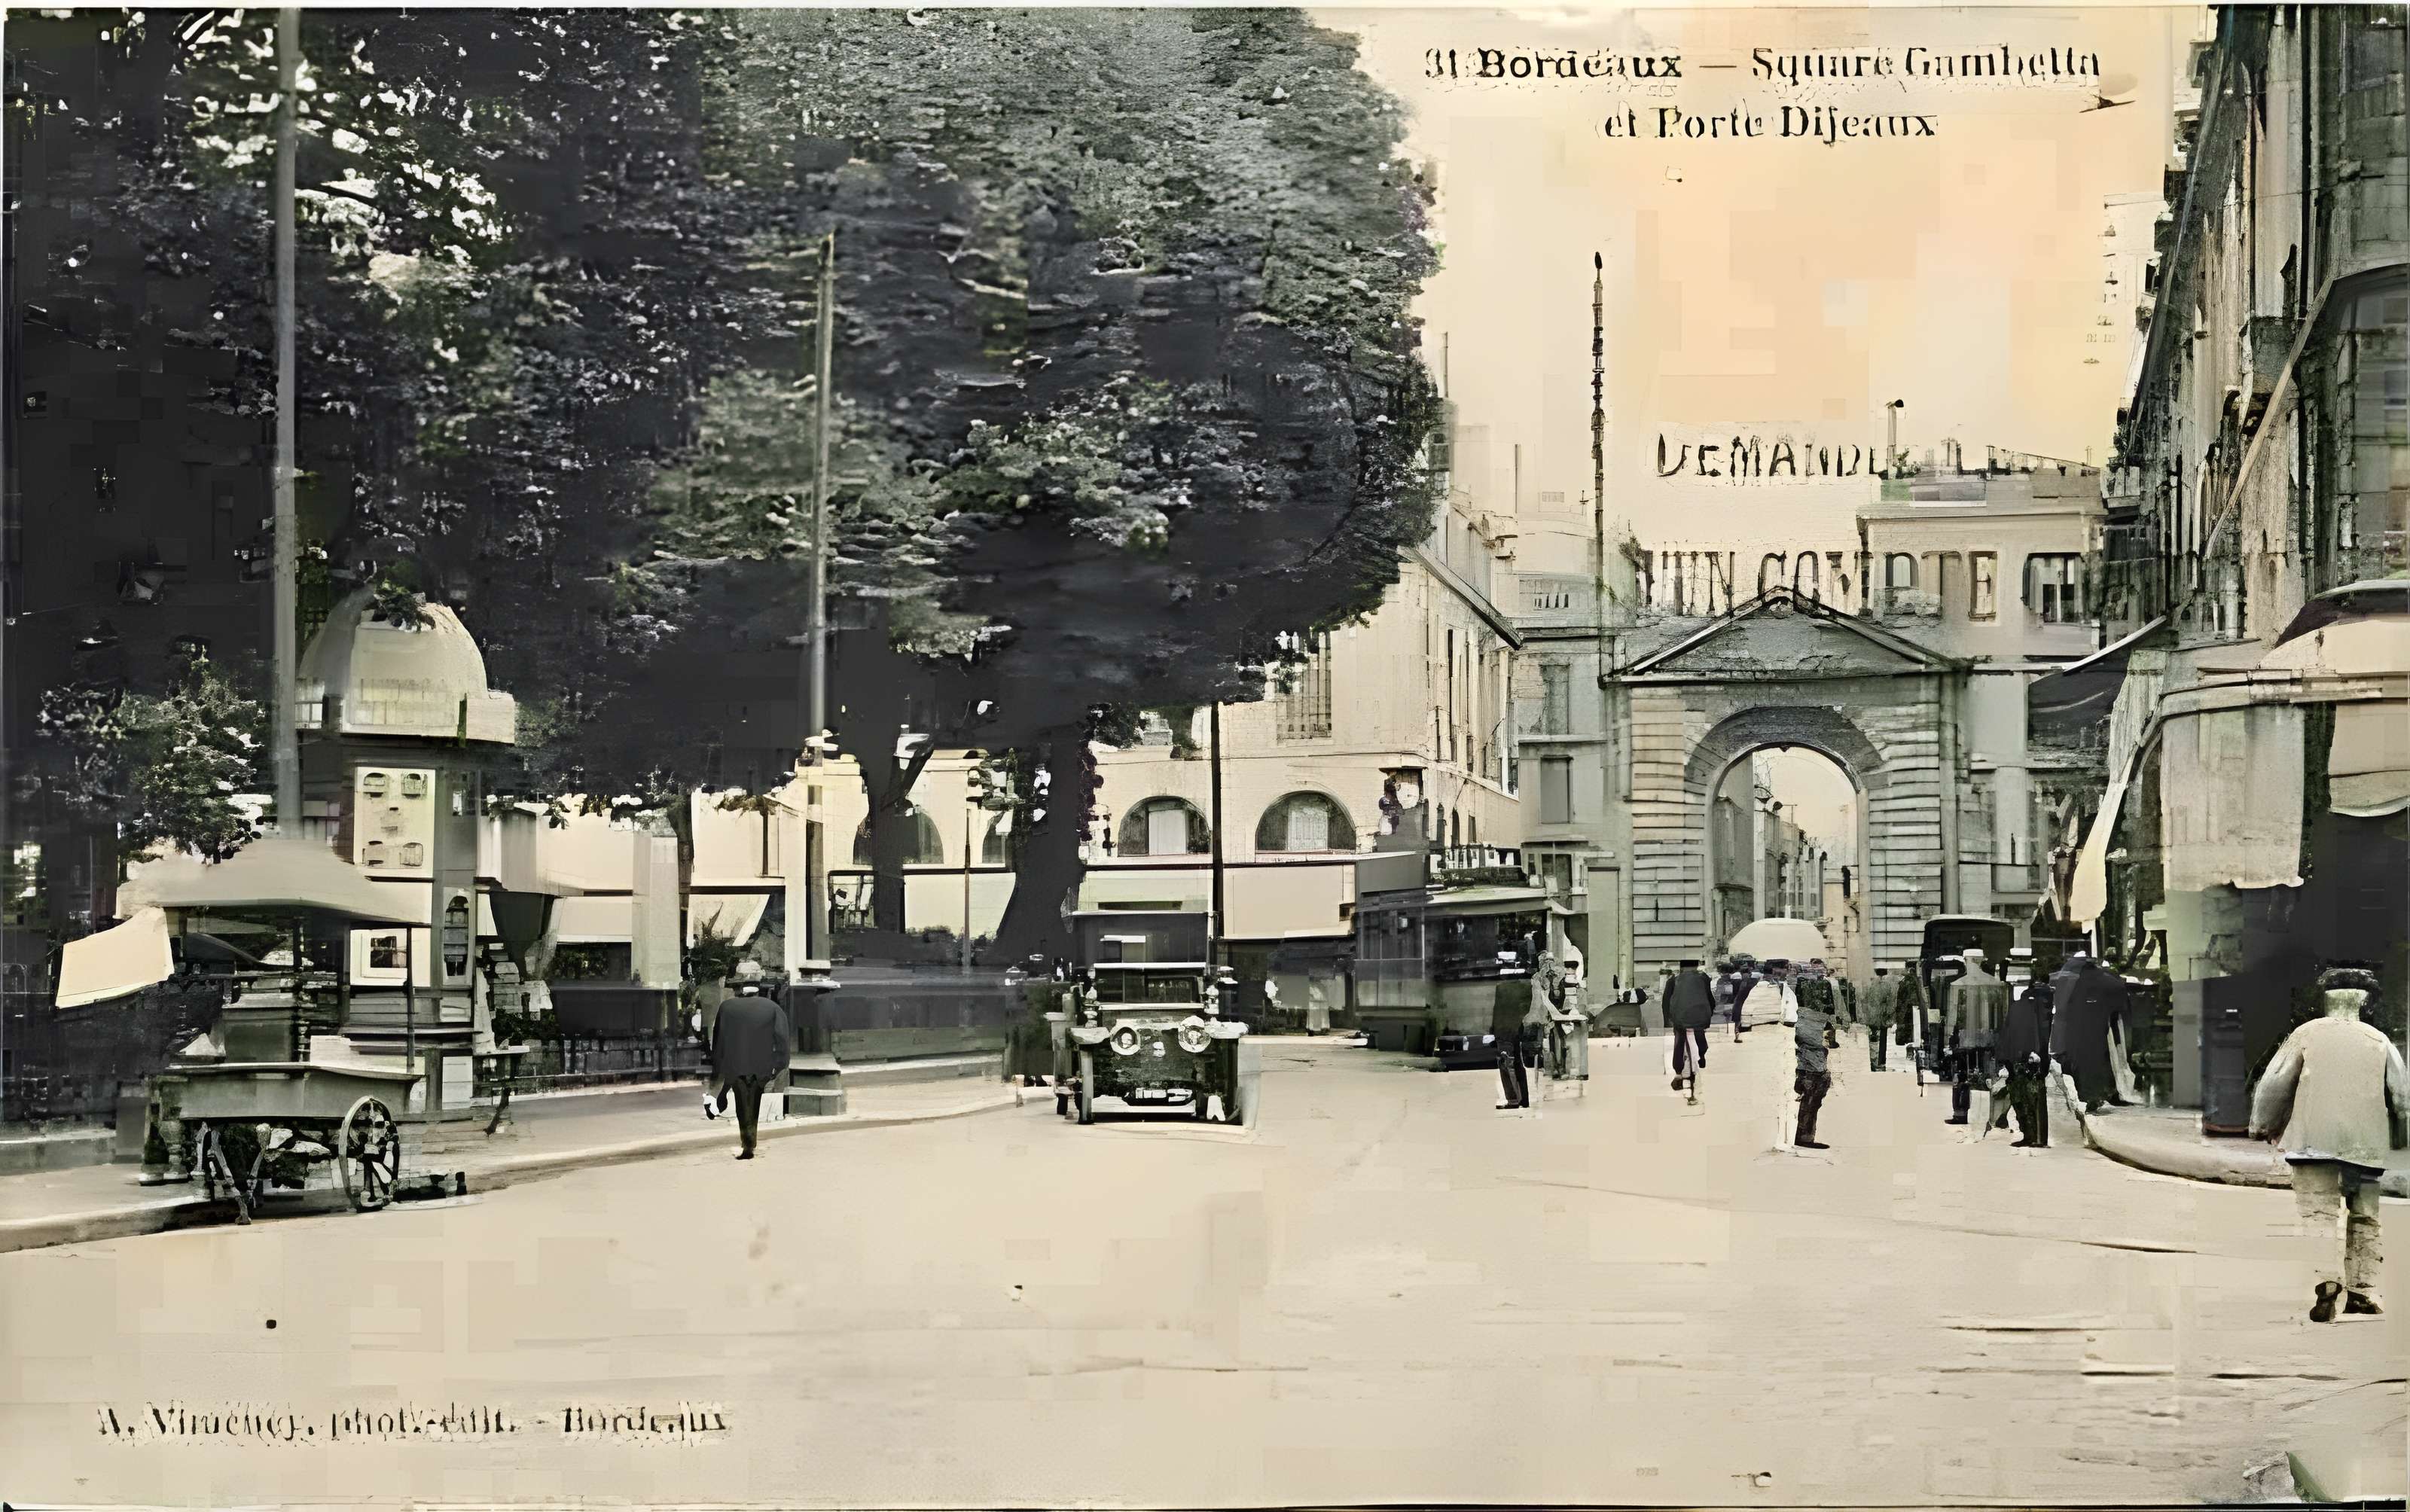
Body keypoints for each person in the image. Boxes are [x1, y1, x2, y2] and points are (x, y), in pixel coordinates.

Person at [2249, 966, 2410, 1321]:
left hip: (2312, 1143)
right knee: (2365, 1217)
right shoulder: (2379, 1041)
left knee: (2318, 1215)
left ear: (2326, 999)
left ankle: (2326, 1283)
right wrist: (2400, 1133)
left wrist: (2263, 1126)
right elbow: (2402, 1096)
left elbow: (2275, 1083)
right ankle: (2361, 1292)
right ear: (2366, 1002)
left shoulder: (2307, 1033)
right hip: (2365, 1147)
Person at [708, 960, 794, 1160]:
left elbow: (719, 1043)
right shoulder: (772, 1008)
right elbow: (783, 1043)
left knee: (741, 1104)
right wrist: (778, 1067)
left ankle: (747, 1142)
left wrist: (718, 1069)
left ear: (738, 985)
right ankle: (750, 1142)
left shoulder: (727, 1008)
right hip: (762, 1066)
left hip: (735, 1066)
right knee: (754, 1102)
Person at [2052, 953, 2129, 1114]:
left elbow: (2061, 1009)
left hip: (2074, 1032)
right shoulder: (2104, 979)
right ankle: (2097, 1096)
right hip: (2097, 1031)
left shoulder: (2070, 980)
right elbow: (2120, 995)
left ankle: (2087, 1097)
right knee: (2097, 1063)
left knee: (2080, 1066)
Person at [1942, 949, 2008, 1127]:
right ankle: (1996, 1117)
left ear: (1967, 961)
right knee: (1991, 1078)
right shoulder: (1996, 984)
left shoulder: (1958, 985)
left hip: (1965, 1040)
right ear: (1981, 961)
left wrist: (1948, 1041)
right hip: (1991, 1040)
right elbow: (2003, 1015)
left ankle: (1961, 1114)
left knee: (1961, 1078)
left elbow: (1952, 1017)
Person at [1998, 958, 2055, 1148]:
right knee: (2036, 1096)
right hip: (2037, 1055)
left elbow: (2008, 1031)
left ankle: (2030, 1135)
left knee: (2021, 1097)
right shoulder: (2049, 1002)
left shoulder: (2020, 1004)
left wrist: (2006, 1057)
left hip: (2017, 1055)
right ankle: (2038, 1137)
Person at [1792, 962, 1841, 1150]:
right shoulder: (1821, 1018)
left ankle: (1802, 1134)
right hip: (1813, 1061)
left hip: (1806, 1059)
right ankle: (1804, 1136)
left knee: (1808, 1095)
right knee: (1812, 1096)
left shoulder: (1798, 1010)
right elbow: (1829, 1039)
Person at [1661, 958, 1715, 1092]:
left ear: (1681, 967)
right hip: (1700, 1017)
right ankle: (1702, 1055)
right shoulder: (1704, 979)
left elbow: (1665, 1002)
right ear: (1696, 966)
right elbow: (1710, 999)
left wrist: (1668, 1020)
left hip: (1680, 1019)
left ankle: (1678, 1074)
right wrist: (1709, 1014)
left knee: (1679, 1041)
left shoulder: (1673, 980)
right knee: (1700, 1033)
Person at [1493, 977, 1535, 1111]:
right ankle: (1523, 1099)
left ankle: (1513, 1099)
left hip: (1505, 1032)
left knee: (1506, 1065)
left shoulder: (1502, 990)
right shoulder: (1524, 990)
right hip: (1515, 1032)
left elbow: (1497, 1013)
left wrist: (1494, 1031)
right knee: (1517, 1065)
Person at [1858, 963, 1902, 1071]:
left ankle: (1872, 1061)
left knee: (1872, 1039)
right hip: (1882, 1017)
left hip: (1871, 1017)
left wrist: (1866, 1013)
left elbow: (1863, 1000)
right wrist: (1889, 1014)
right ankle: (1881, 1062)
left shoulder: (1869, 985)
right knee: (1882, 1040)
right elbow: (1892, 1002)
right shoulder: (1888, 985)